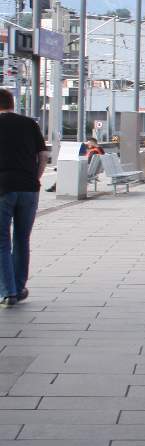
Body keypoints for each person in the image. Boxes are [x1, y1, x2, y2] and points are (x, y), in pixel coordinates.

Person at [0, 88, 48, 306]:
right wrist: (35, 178)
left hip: (3, 189)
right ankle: (19, 288)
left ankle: (7, 291)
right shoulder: (30, 124)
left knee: (2, 241)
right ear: (12, 103)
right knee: (22, 239)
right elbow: (43, 156)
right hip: (29, 189)